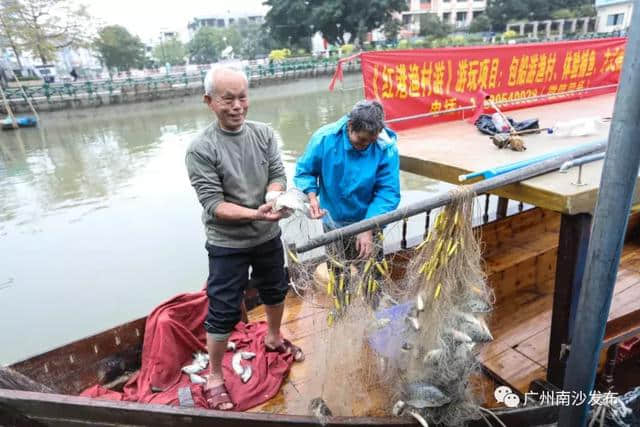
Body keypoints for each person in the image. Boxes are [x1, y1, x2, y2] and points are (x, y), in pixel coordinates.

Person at [185, 65, 303, 411]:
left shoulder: (264, 134)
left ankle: (274, 336)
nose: (237, 106)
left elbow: (277, 174)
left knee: (276, 289)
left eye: (242, 97)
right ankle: (216, 375)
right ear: (209, 101)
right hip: (227, 243)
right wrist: (255, 213)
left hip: (267, 234)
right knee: (222, 309)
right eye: (227, 99)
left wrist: (275, 197)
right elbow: (214, 204)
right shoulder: (200, 149)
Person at [294, 100, 401, 305]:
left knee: (371, 272)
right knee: (338, 271)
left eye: (370, 141)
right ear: (349, 126)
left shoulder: (385, 147)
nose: (365, 146)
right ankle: (342, 308)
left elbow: (388, 192)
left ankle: (375, 309)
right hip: (334, 221)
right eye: (360, 141)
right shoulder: (324, 138)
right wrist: (312, 196)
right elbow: (306, 171)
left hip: (369, 220)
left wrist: (368, 227)